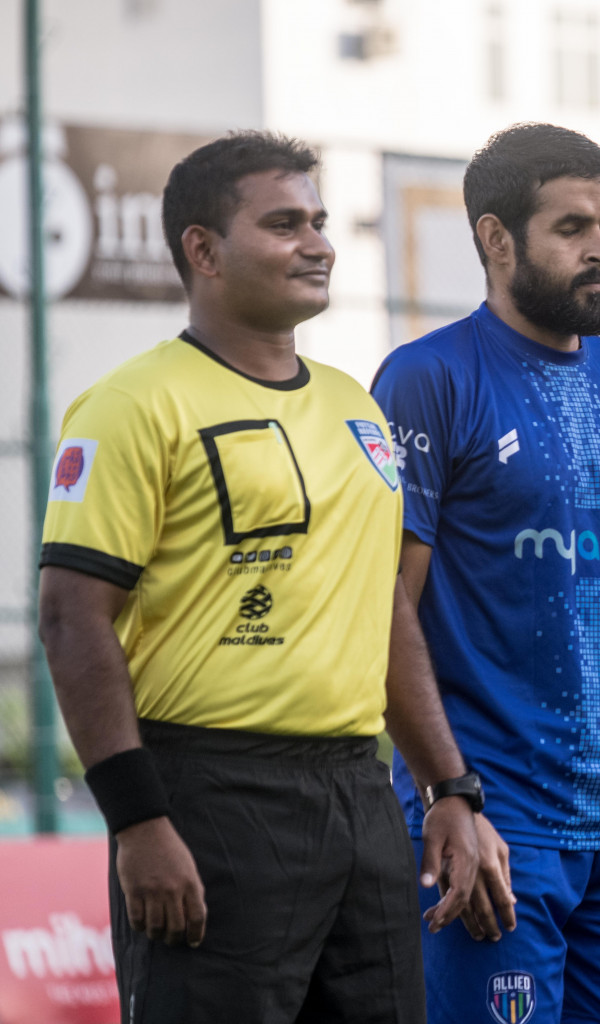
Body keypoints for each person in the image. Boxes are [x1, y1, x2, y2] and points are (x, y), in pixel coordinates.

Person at [36, 131, 491, 1023]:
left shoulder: (354, 406)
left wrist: (449, 787)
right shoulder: (132, 405)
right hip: (210, 795)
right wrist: (137, 821)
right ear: (202, 250)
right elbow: (70, 619)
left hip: (359, 797)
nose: (316, 243)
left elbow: (381, 607)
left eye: (319, 221)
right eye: (284, 224)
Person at [370, 122, 600, 1024]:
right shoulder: (426, 378)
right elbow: (383, 607)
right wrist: (446, 793)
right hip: (495, 823)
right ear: (497, 239)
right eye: (574, 228)